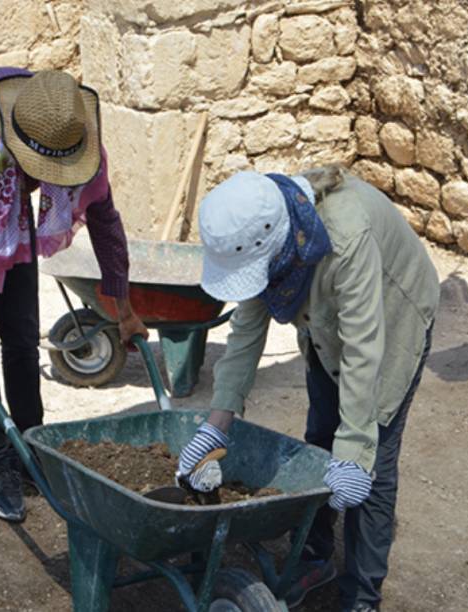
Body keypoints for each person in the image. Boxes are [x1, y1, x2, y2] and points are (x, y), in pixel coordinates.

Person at [177, 167, 439, 612]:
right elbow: (245, 334)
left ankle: (362, 596)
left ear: (275, 247)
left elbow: (363, 347)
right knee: (320, 435)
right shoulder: (269, 229)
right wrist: (215, 427)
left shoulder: (345, 236)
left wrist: (356, 449)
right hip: (325, 325)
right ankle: (315, 556)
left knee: (371, 464)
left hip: (393, 317)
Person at [0, 68, 148, 522]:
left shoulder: (72, 129)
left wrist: (126, 311)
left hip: (11, 210)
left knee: (21, 336)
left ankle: (30, 443)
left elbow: (105, 222)